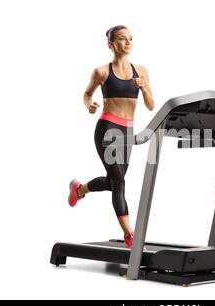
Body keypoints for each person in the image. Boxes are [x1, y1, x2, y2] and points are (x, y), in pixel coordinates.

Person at [68, 25, 154, 248]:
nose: (128, 43)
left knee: (113, 181)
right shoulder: (101, 72)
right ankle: (129, 234)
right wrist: (89, 105)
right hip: (107, 128)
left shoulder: (141, 71)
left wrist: (144, 88)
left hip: (128, 131)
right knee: (119, 181)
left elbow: (151, 105)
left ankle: (80, 189)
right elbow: (87, 93)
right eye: (123, 39)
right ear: (110, 44)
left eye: (131, 39)